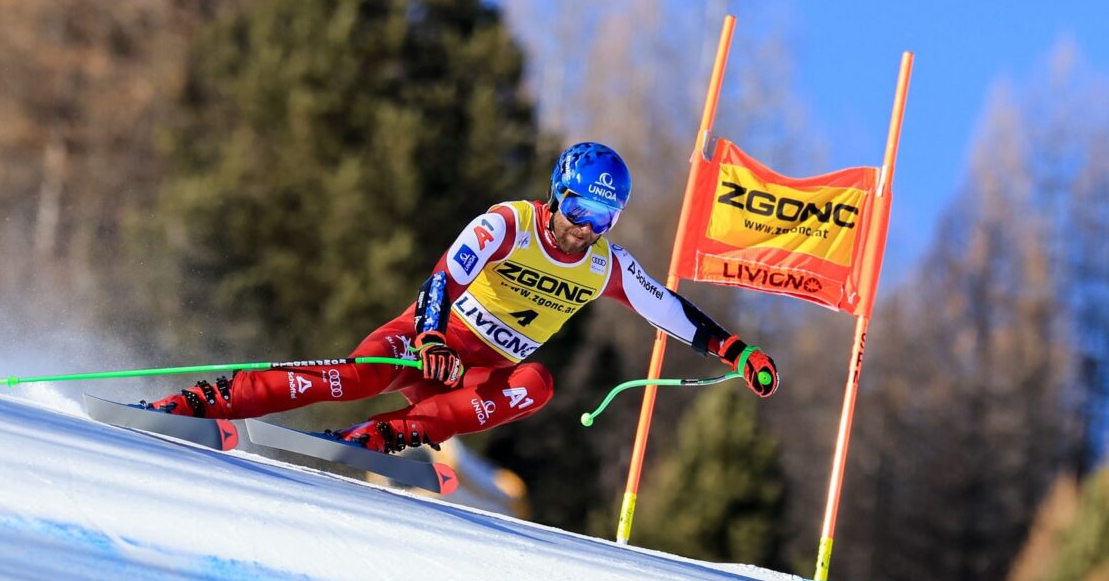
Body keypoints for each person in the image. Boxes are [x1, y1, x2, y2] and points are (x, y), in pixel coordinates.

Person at [143, 142, 778, 453]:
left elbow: (670, 311)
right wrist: (428, 338)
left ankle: (383, 437)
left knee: (537, 382)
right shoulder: (510, 224)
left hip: (473, 376)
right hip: (429, 344)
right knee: (360, 372)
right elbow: (442, 279)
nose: (588, 227)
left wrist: (736, 350)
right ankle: (207, 400)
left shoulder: (604, 265)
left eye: (605, 217)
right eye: (582, 208)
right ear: (561, 193)